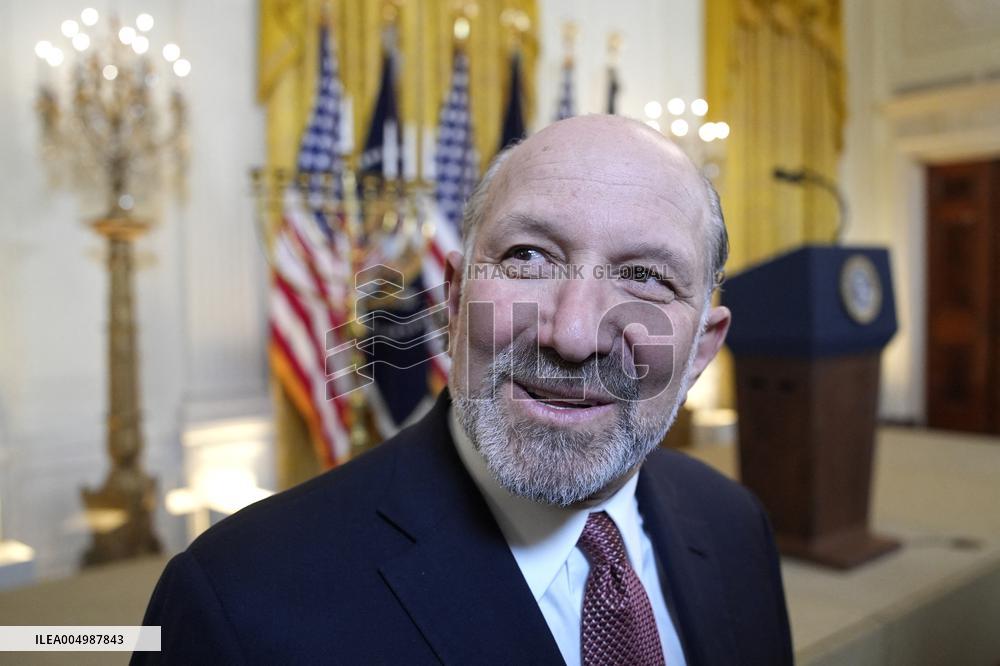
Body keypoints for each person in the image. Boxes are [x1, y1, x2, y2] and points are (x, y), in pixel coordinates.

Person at [134, 115, 793, 665]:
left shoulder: (735, 525)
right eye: (527, 257)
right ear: (453, 300)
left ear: (702, 349)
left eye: (646, 276)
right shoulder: (236, 601)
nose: (571, 333)